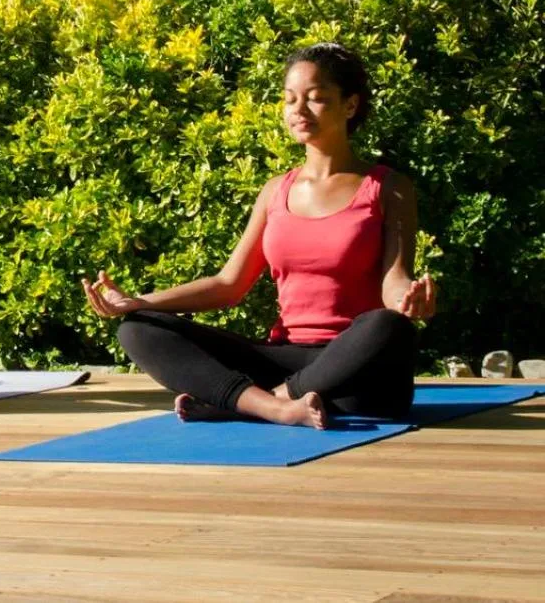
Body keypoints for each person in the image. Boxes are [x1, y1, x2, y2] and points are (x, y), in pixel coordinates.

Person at [82, 42, 436, 429]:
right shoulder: (275, 191)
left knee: (388, 326)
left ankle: (255, 401)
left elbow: (394, 279)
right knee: (139, 329)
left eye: (316, 99)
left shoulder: (388, 188)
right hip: (285, 358)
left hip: (354, 372)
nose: (298, 111)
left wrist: (407, 301)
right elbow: (228, 284)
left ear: (349, 106)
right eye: (289, 100)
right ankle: (276, 407)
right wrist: (136, 303)